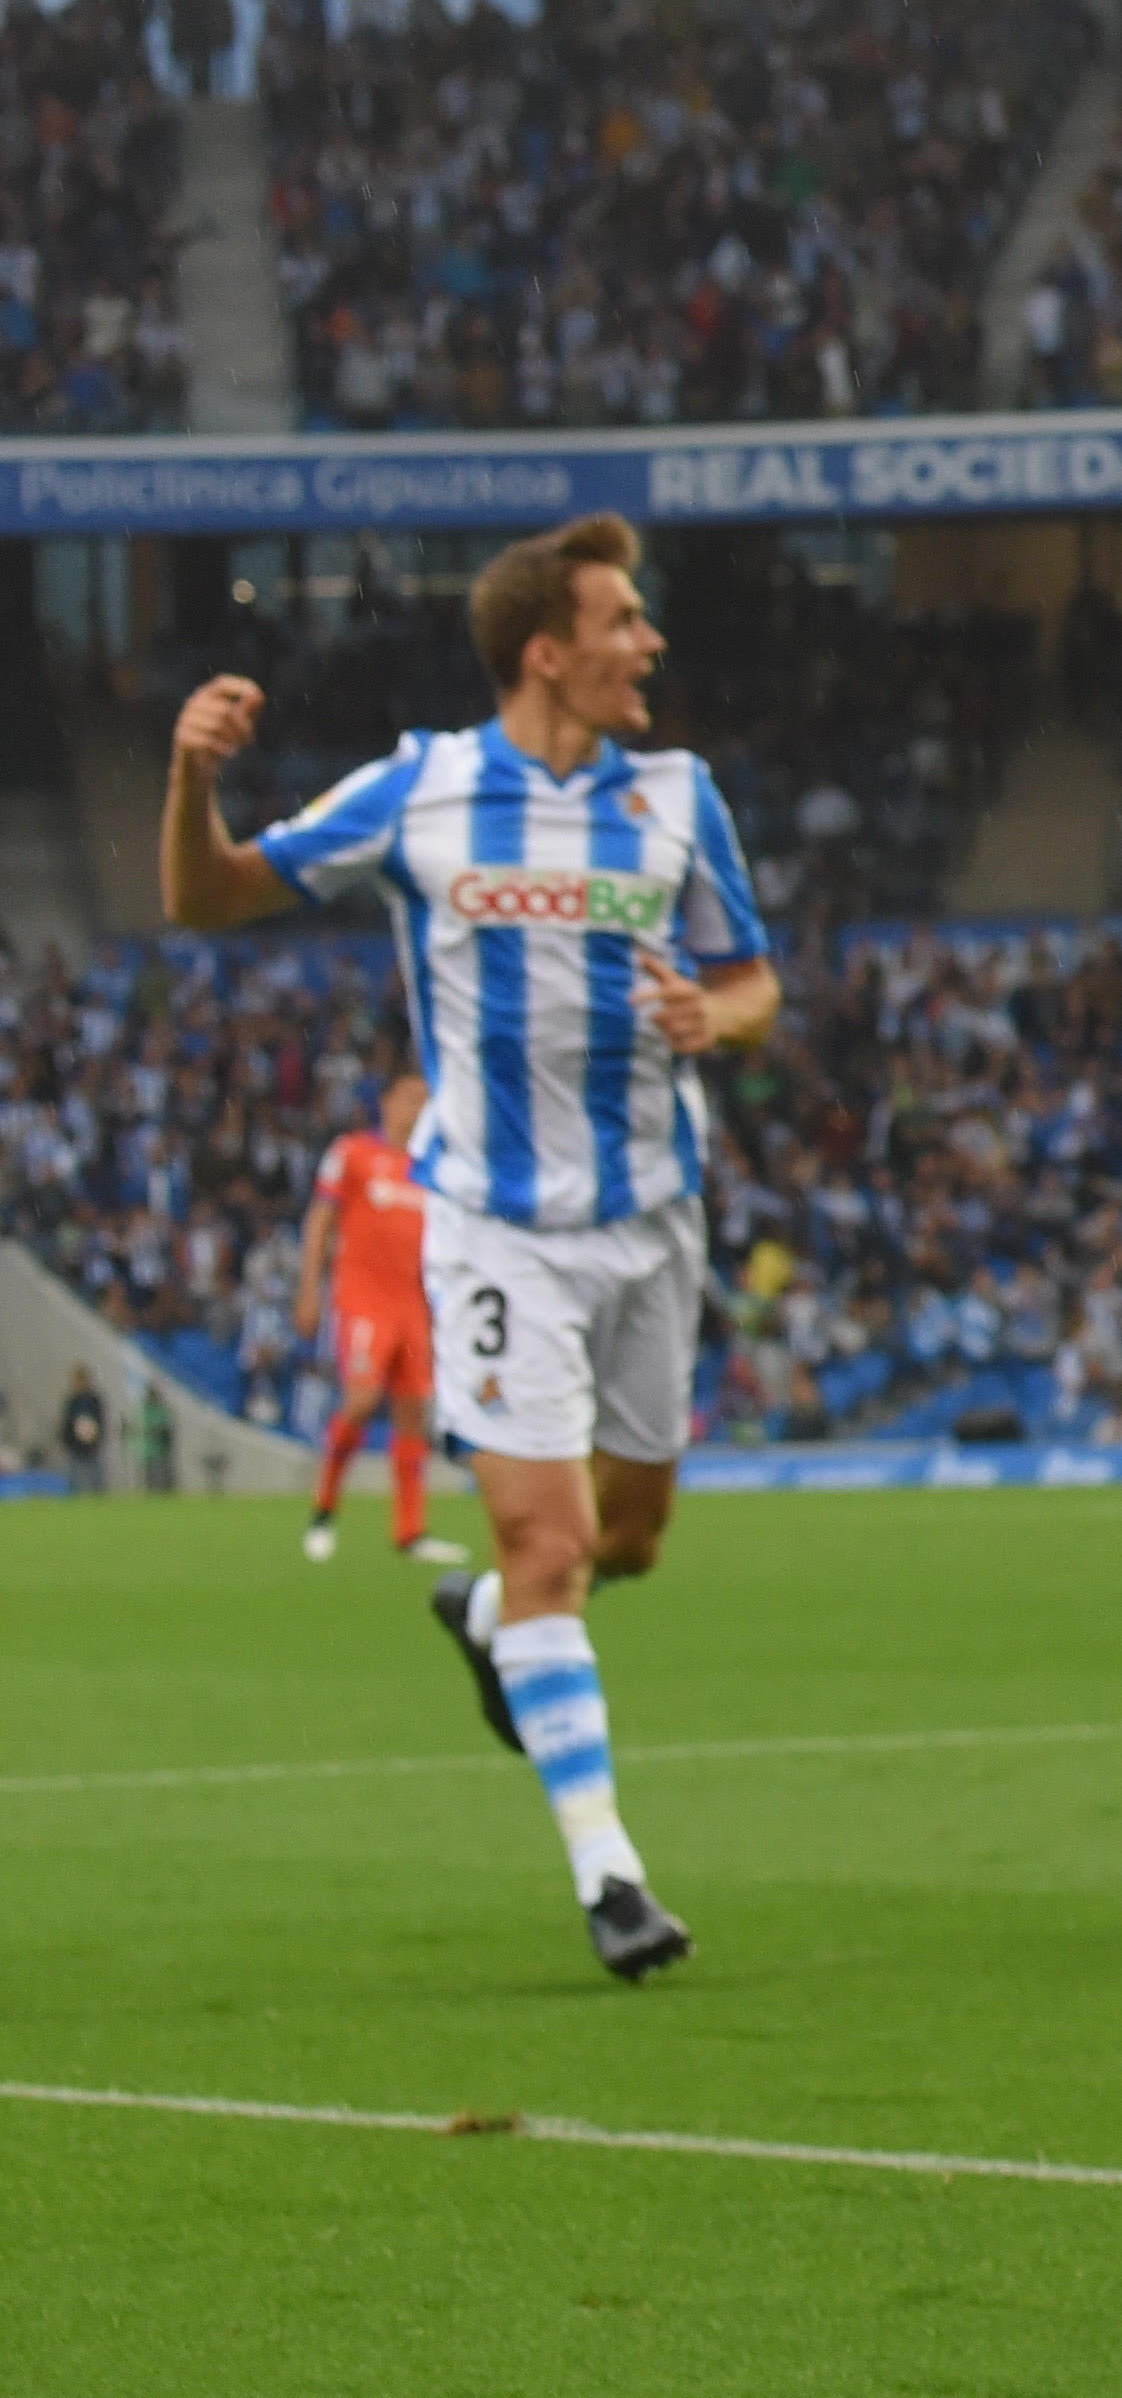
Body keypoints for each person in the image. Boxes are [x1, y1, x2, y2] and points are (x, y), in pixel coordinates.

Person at [158, 514, 775, 1981]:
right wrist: (190, 775)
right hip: (495, 1226)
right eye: (625, 620)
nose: (651, 642)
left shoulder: (678, 796)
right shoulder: (422, 790)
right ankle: (611, 1877)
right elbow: (207, 896)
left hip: (650, 1220)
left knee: (630, 1536)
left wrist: (717, 1019)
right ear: (547, 652)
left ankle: (489, 1622)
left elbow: (753, 981)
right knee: (549, 1542)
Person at [295, 1072, 453, 1565]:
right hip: (363, 1301)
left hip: (415, 1304)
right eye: (408, 1097)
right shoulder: (354, 1154)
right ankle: (323, 1511)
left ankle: (410, 1532)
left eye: (423, 1100)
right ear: (385, 1102)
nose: (415, 1107)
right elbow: (320, 1219)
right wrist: (309, 1289)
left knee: (414, 1415)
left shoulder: (435, 1168)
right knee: (361, 1401)